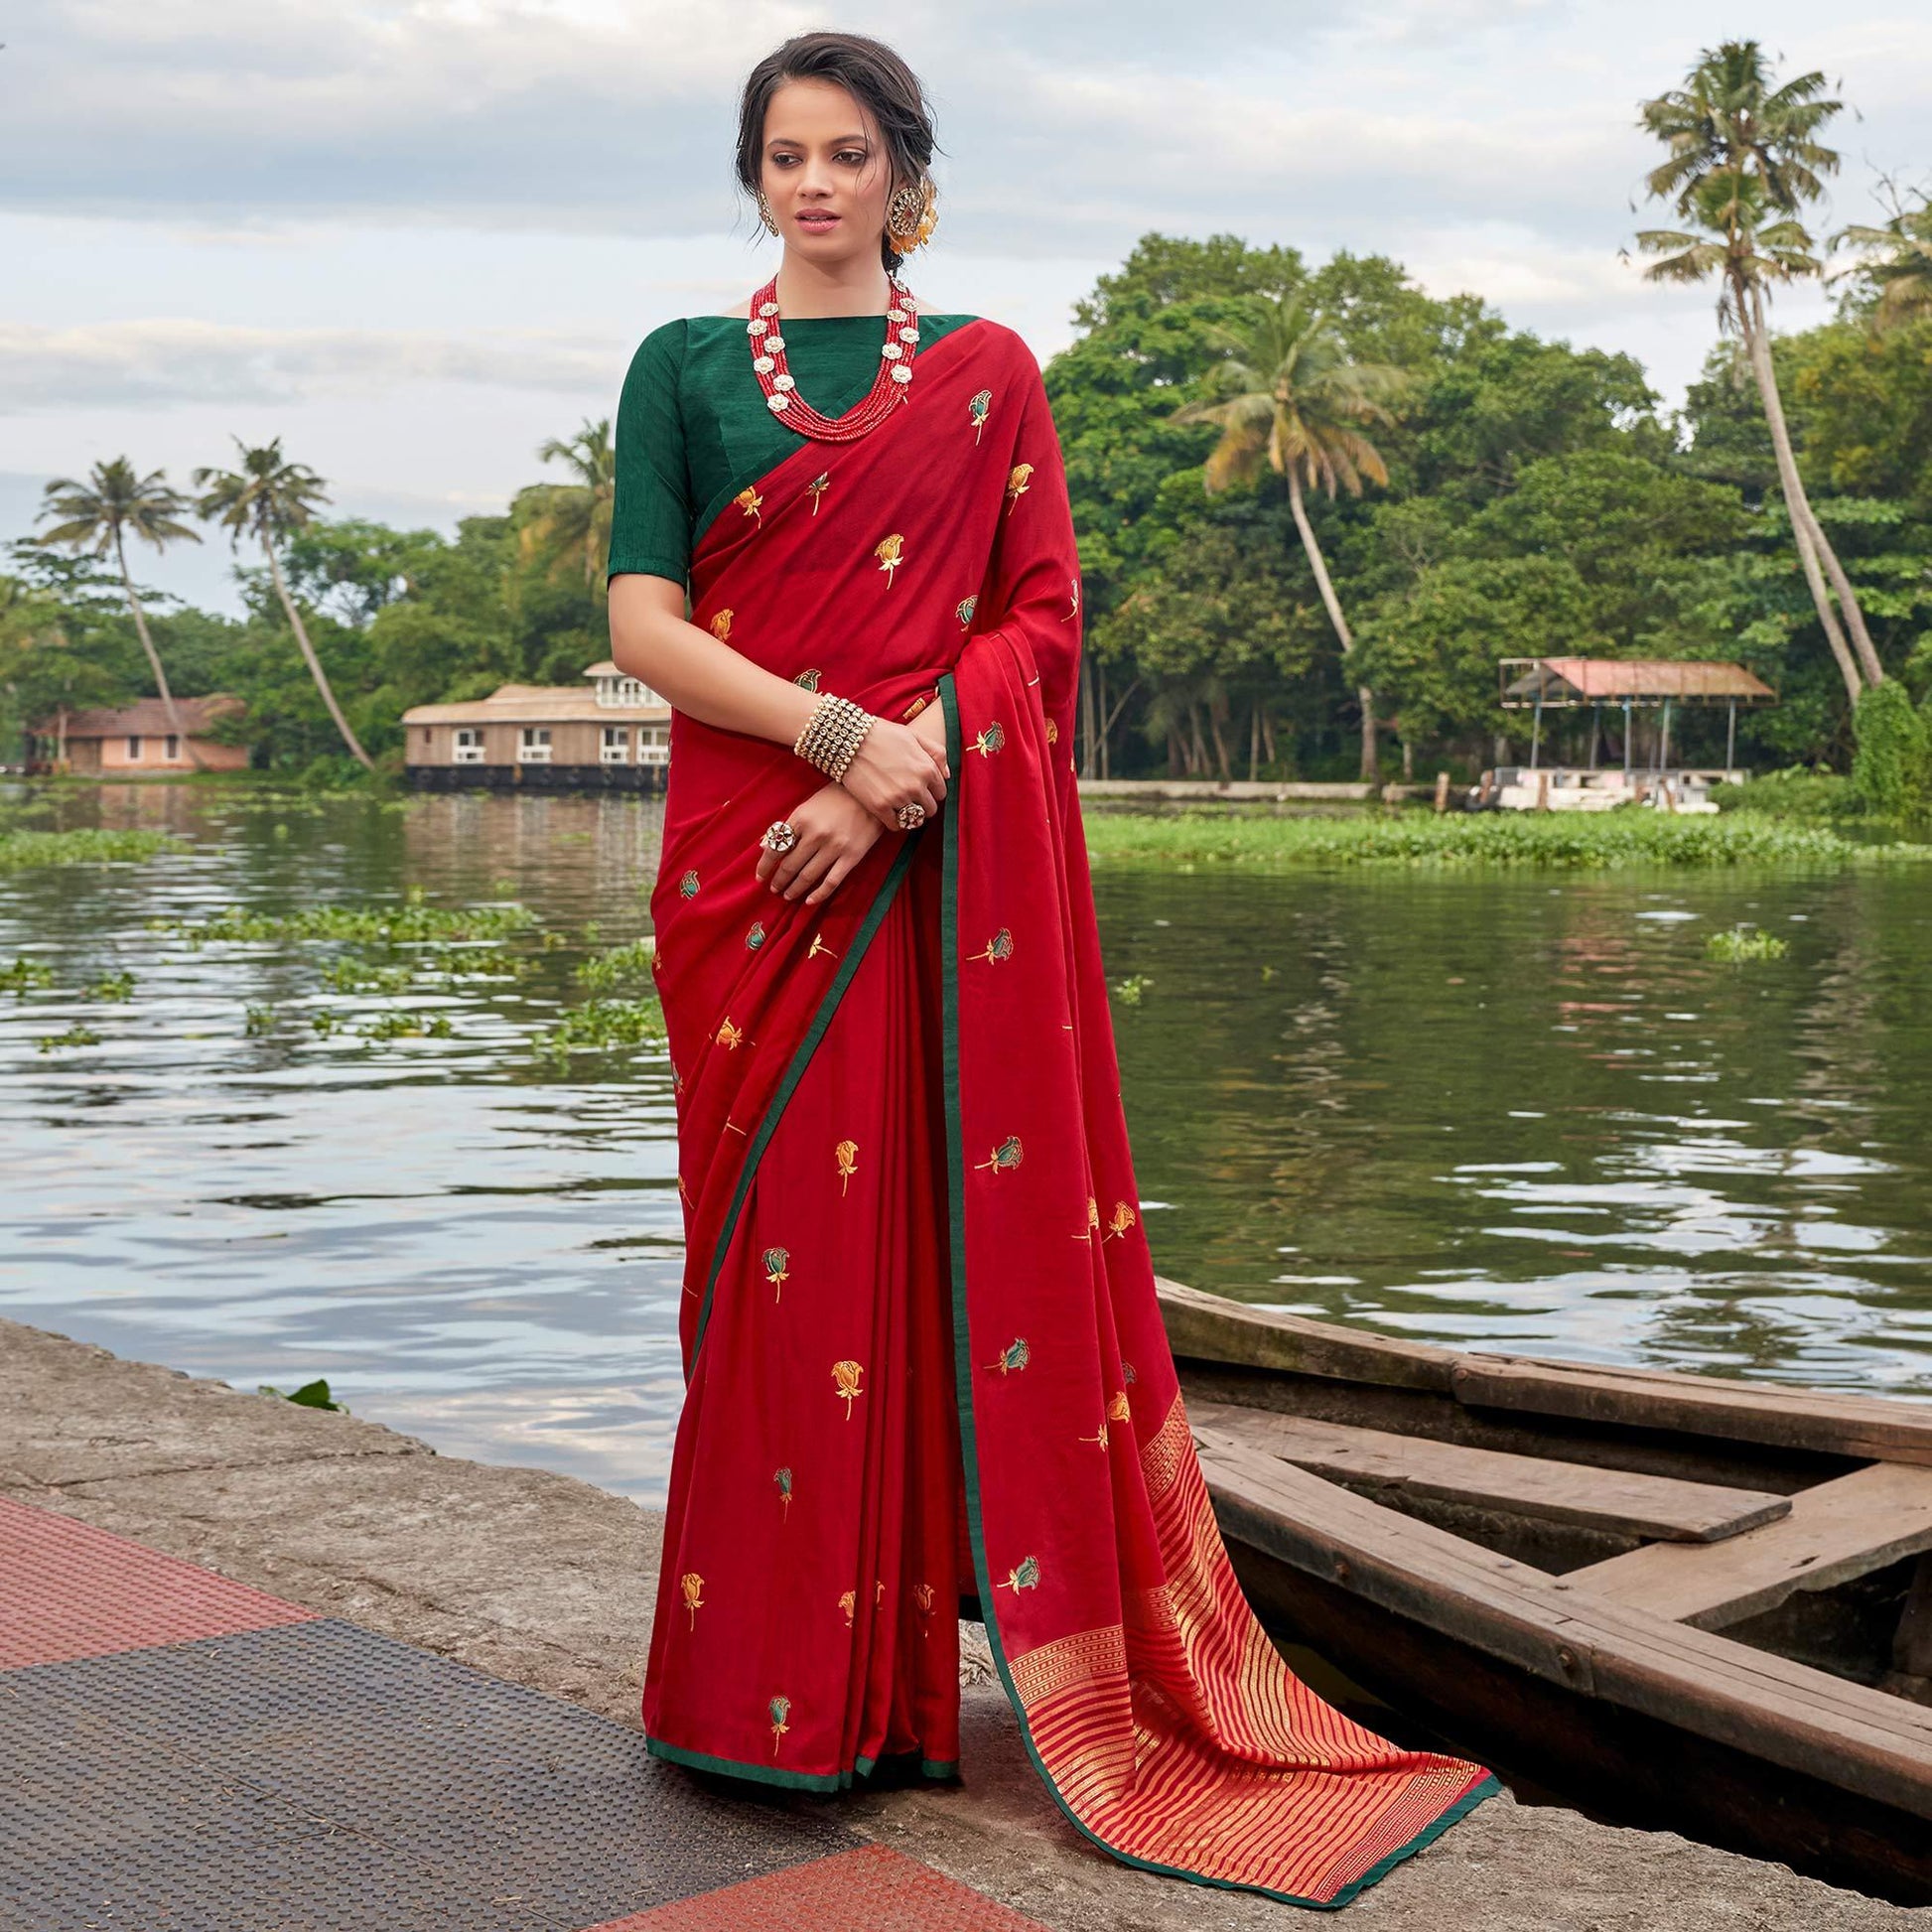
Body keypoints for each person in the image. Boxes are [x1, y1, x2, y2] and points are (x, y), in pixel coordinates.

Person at [605, 30, 1495, 1909]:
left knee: (907, 1265)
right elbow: (641, 620)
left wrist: (889, 781)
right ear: (750, 175)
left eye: (850, 152)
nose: (817, 183)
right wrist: (841, 742)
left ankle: (897, 1705)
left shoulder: (989, 375)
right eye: (786, 154)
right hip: (748, 875)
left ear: (903, 173)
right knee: (771, 1269)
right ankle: (768, 1696)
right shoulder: (682, 369)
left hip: (911, 871)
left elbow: (1036, 621)